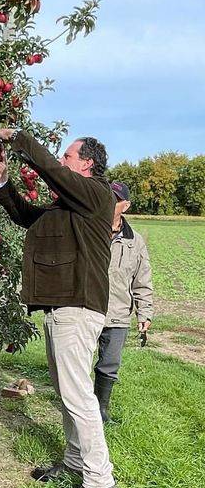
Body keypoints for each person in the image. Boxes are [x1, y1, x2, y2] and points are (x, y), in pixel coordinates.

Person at [0, 129, 118, 488]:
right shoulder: (67, 207)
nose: (62, 161)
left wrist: (21, 138)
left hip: (78, 308)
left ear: (87, 164)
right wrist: (3, 181)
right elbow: (27, 216)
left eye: (68, 156)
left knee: (78, 396)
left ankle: (100, 483)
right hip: (62, 309)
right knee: (67, 393)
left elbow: (54, 173)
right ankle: (75, 462)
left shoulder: (96, 194)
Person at [94, 181, 153, 424]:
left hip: (117, 314)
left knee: (109, 365)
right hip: (87, 309)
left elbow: (142, 279)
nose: (109, 202)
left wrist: (144, 313)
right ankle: (80, 413)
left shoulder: (134, 241)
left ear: (125, 205)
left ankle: (101, 412)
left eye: (115, 199)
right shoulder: (90, 228)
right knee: (78, 366)